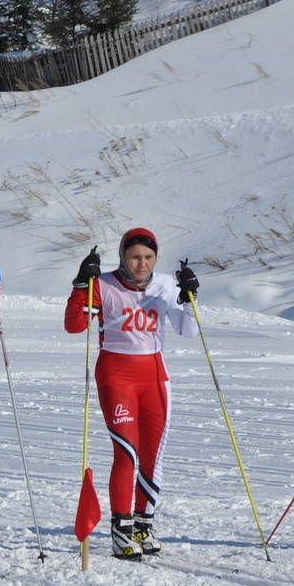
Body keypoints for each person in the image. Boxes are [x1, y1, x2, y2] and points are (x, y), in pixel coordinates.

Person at [63, 228, 198, 559]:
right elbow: (74, 326)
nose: (142, 264)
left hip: (155, 377)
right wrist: (81, 286)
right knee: (127, 452)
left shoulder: (164, 284)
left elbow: (189, 331)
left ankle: (143, 523)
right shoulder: (105, 284)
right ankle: (121, 528)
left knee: (153, 454)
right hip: (116, 375)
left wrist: (189, 299)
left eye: (149, 258)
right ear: (123, 256)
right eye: (135, 257)